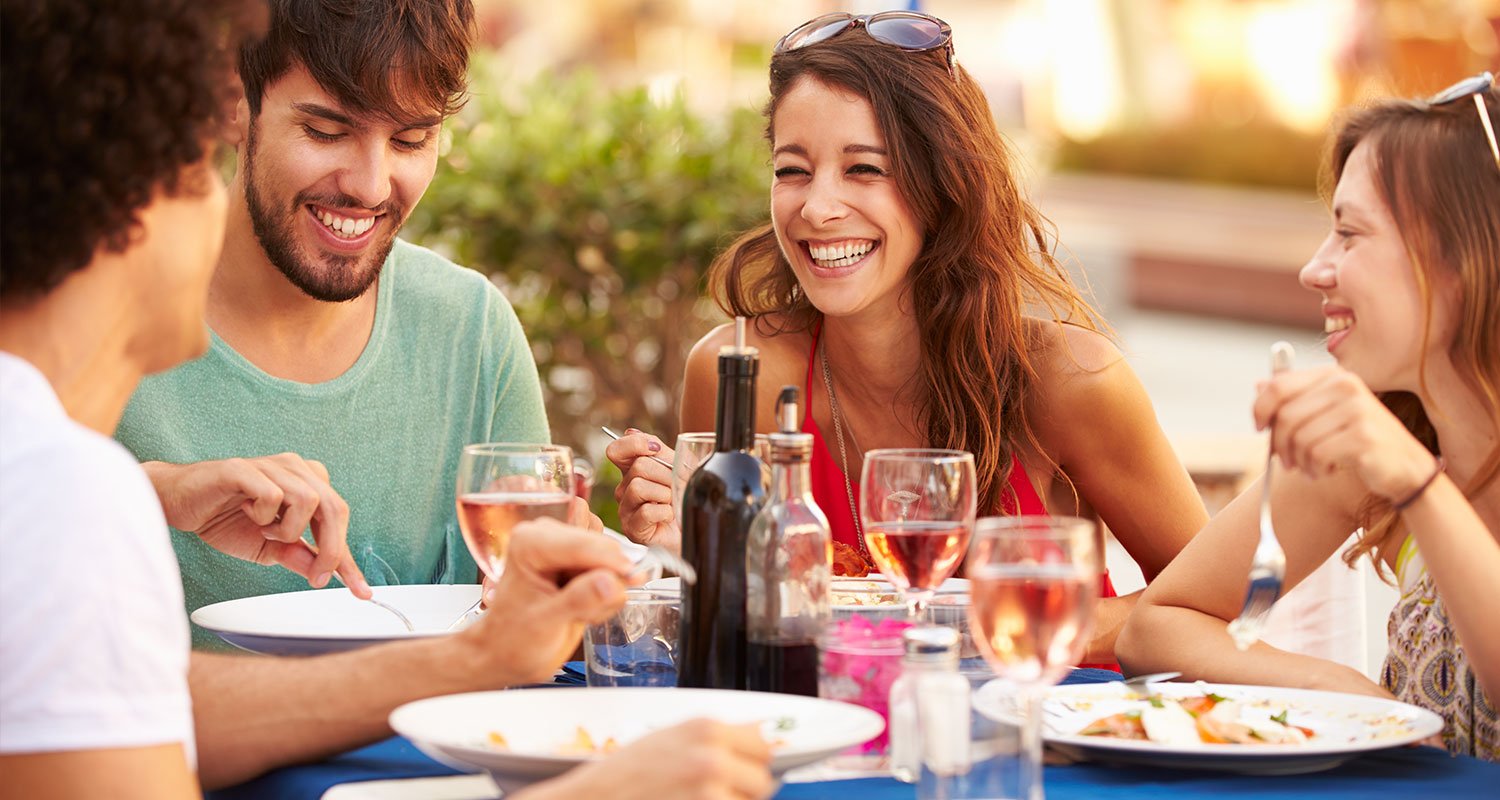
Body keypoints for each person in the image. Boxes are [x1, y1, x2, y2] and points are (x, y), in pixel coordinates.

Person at [0, 2, 775, 796]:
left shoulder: (52, 477)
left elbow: (130, 708)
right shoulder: (57, 491)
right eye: (195, 168)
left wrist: (542, 615)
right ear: (127, 203)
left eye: (410, 139)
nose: (371, 184)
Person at [608, 10, 1207, 666]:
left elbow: (1213, 603)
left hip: (1052, 744)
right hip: (830, 750)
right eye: (792, 170)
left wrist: (987, 627)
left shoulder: (1069, 380)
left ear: (943, 185)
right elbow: (730, 636)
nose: (817, 207)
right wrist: (674, 558)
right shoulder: (738, 370)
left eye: (864, 169)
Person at [113, 0, 547, 641]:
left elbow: (528, 610)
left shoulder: (472, 329)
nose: (371, 187)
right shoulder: (97, 304)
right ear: (233, 101)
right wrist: (151, 491)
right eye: (326, 131)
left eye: (410, 140)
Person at [1118, 74, 1500, 760]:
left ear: (1464, 262)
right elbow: (1158, 627)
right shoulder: (1383, 437)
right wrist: (1338, 689)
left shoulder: (1396, 456)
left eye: (1350, 234)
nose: (1314, 269)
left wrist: (1418, 483)